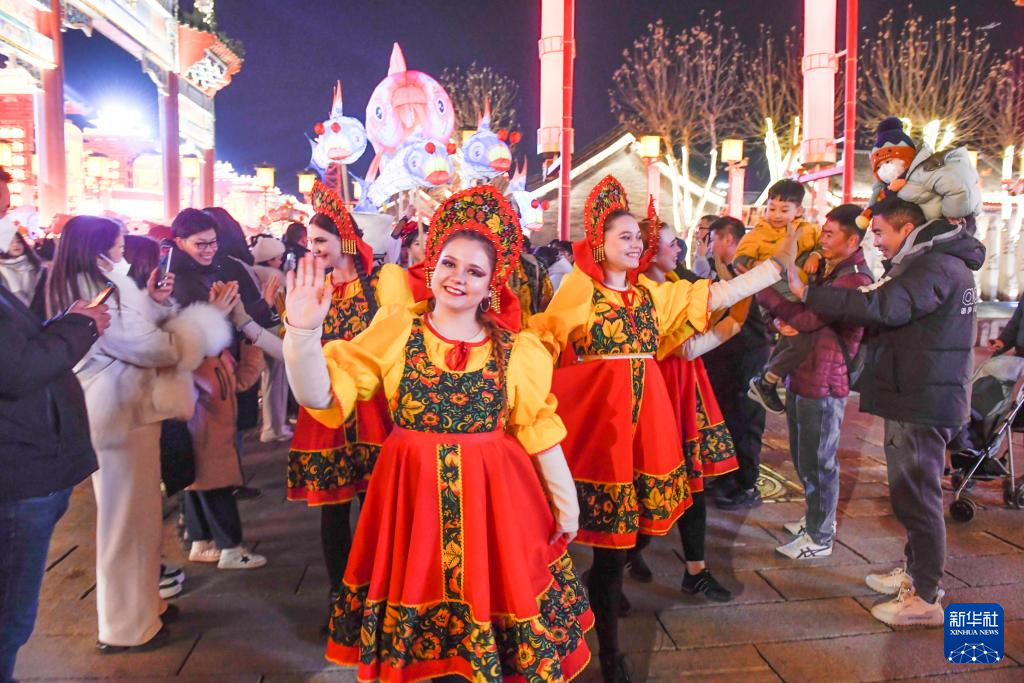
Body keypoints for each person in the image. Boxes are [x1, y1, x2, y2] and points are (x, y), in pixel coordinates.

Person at [284, 185, 593, 681]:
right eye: (449, 263)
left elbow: (537, 430)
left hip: (497, 504)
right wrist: (302, 334)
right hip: (412, 500)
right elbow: (321, 396)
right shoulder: (396, 330)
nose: (458, 278)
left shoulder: (517, 350)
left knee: (493, 619)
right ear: (432, 266)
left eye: (474, 271)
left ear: (492, 284)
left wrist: (566, 505)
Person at [530, 176, 796, 682]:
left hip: (646, 428)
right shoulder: (580, 290)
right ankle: (610, 654)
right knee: (609, 547)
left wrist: (775, 267)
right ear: (599, 243)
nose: (635, 244)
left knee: (629, 538)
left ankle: (605, 611)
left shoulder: (650, 294)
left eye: (638, 236)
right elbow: (543, 344)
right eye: (624, 236)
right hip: (602, 432)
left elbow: (717, 295)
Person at [787, 196, 984, 627]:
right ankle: (916, 573)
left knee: (918, 498)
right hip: (919, 393)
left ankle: (925, 598)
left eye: (879, 232)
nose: (874, 242)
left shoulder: (933, 265)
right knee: (913, 495)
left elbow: (880, 306)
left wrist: (808, 293)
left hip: (922, 399)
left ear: (906, 228)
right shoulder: (934, 263)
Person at [46, 217, 235, 652]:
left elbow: (139, 334)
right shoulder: (99, 294)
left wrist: (153, 301)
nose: (124, 253)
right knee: (126, 523)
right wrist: (205, 322)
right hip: (121, 414)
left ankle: (145, 606)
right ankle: (125, 626)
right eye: (117, 245)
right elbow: (155, 348)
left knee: (141, 517)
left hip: (127, 411)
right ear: (97, 250)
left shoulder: (100, 285)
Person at [283, 181, 410, 626]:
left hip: (374, 407)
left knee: (377, 509)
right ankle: (341, 602)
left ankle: (380, 597)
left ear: (347, 241)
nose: (314, 249)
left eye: (322, 240)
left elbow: (398, 335)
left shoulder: (383, 281)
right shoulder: (313, 288)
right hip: (327, 409)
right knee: (333, 512)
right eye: (310, 241)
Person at [1, 269, 109, 679]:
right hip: (18, 472)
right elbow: (17, 369)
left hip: (30, 464)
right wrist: (80, 327)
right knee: (10, 615)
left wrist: (65, 323)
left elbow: (17, 349)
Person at [630, 213, 743, 602]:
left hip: (685, 389)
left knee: (692, 482)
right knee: (650, 485)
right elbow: (687, 347)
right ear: (649, 252)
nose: (678, 247)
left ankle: (695, 569)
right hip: (658, 393)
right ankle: (612, 566)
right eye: (671, 242)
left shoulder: (677, 283)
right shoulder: (642, 295)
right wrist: (733, 323)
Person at [756, 205, 873, 560]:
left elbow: (807, 319)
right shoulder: (827, 269)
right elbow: (798, 316)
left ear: (852, 241)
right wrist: (780, 320)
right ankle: (815, 520)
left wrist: (764, 292)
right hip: (805, 374)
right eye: (823, 231)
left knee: (819, 461)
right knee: (804, 457)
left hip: (826, 380)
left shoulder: (854, 281)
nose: (822, 239)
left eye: (829, 234)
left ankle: (820, 536)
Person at [170, 208, 267, 570]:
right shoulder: (179, 281)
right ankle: (230, 546)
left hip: (209, 375)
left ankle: (201, 540)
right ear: (180, 242)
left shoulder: (198, 272)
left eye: (213, 242)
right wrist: (218, 315)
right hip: (203, 380)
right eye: (201, 243)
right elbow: (186, 341)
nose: (210, 249)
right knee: (215, 466)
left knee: (200, 466)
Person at [702, 216, 773, 510]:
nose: (709, 246)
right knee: (726, 421)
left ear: (728, 239)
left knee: (746, 422)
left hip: (747, 358)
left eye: (712, 239)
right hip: (725, 359)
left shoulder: (747, 272)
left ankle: (746, 485)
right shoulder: (722, 273)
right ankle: (726, 477)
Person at [739, 180, 823, 415]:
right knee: (802, 342)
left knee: (792, 338)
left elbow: (823, 245)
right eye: (771, 208)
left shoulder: (808, 230)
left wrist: (816, 255)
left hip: (800, 293)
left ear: (799, 210)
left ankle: (766, 379)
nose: (776, 215)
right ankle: (767, 381)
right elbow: (740, 260)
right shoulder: (758, 234)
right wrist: (760, 266)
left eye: (784, 210)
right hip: (774, 292)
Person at [250, 235, 292, 443]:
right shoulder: (274, 277)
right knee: (276, 380)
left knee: (268, 379)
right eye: (278, 258)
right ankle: (274, 427)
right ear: (270, 259)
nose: (280, 261)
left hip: (258, 331)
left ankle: (272, 426)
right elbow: (282, 307)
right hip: (274, 331)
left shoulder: (252, 273)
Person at [0, 217, 44, 310]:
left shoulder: (36, 266)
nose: (16, 245)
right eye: (10, 242)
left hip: (38, 313)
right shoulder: (2, 270)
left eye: (18, 241)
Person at [687, 214, 718, 280]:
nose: (696, 231)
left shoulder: (717, 254)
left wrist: (701, 257)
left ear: (712, 231)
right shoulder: (702, 249)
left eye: (699, 227)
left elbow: (704, 280)